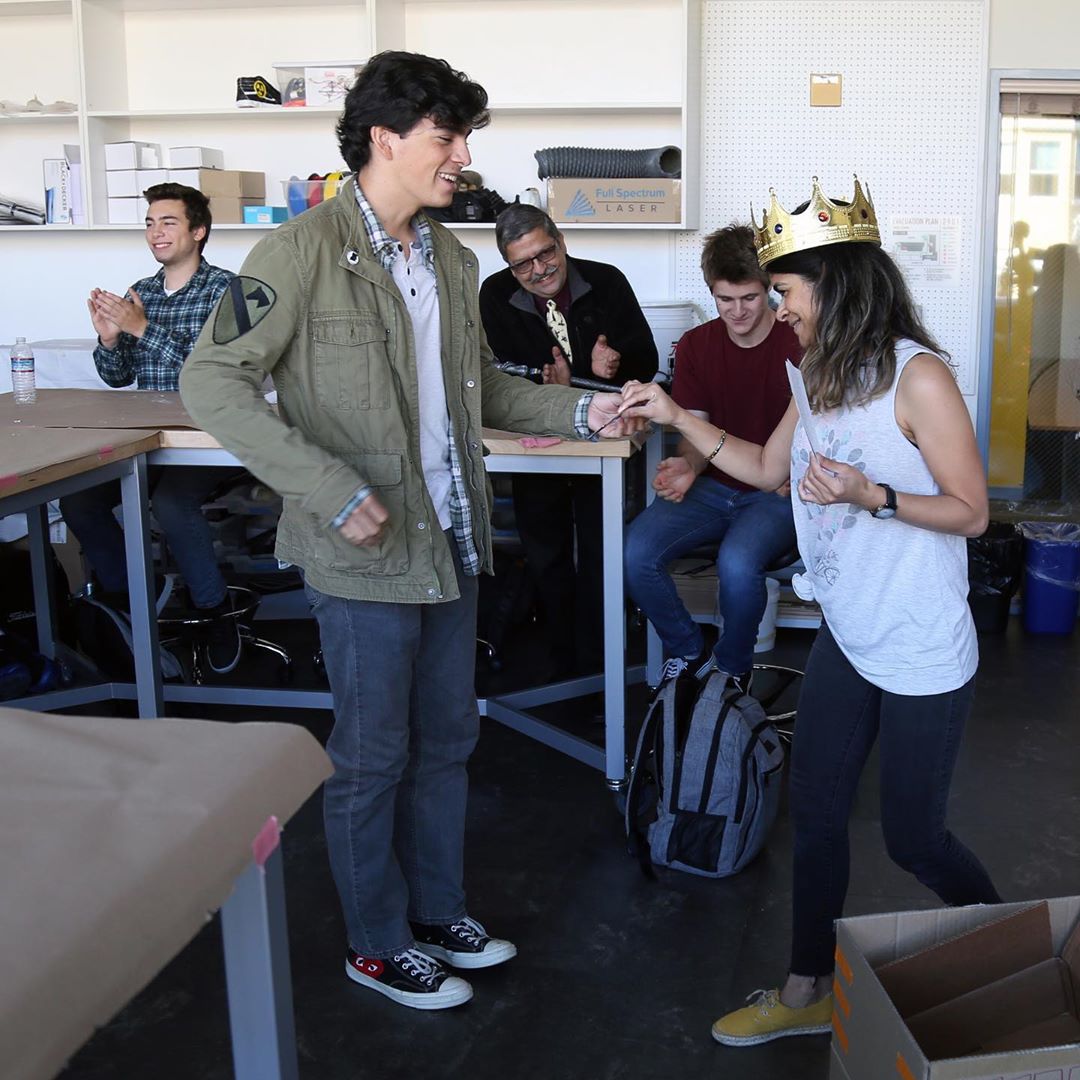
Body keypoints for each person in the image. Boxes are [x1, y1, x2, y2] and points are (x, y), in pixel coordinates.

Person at [179, 51, 641, 1011]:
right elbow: (211, 380)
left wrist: (584, 411)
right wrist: (326, 482)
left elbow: (487, 389)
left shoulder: (453, 257)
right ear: (385, 137)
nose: (463, 156)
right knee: (372, 755)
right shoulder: (299, 252)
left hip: (449, 537)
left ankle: (436, 911)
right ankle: (376, 942)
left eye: (465, 136)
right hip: (359, 554)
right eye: (447, 135)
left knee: (448, 740)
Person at [620, 177, 1001, 1046]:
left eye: (786, 291)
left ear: (832, 283)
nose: (779, 310)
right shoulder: (816, 372)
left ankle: (1014, 944)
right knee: (819, 813)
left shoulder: (920, 379)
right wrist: (676, 413)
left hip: (920, 647)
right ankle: (804, 992)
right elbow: (762, 470)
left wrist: (874, 495)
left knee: (914, 839)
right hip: (849, 634)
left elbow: (973, 512)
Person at [59, 183, 241, 674]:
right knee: (77, 499)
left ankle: (213, 608)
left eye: (168, 222)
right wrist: (109, 338)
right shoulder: (141, 291)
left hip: (211, 437)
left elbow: (216, 374)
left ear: (198, 231)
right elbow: (117, 377)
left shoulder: (228, 291)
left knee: (170, 503)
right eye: (149, 222)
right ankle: (131, 601)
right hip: (148, 436)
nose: (155, 232)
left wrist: (141, 329)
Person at [479, 203, 658, 676]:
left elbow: (646, 360)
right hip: (537, 448)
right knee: (545, 553)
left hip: (603, 442)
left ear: (561, 243)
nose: (539, 270)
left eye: (545, 253)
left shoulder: (608, 281)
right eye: (523, 264)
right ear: (508, 265)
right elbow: (497, 374)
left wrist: (609, 368)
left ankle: (603, 664)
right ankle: (562, 664)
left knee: (601, 552)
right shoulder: (494, 295)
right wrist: (556, 391)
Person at [624, 223, 799, 690]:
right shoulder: (698, 345)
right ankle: (687, 651)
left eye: (750, 298)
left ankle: (732, 668)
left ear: (770, 291)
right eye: (726, 300)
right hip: (714, 486)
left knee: (738, 563)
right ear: (711, 293)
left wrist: (796, 473)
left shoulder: (798, 343)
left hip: (777, 492)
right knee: (636, 552)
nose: (738, 311)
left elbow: (821, 431)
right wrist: (687, 465)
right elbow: (694, 430)